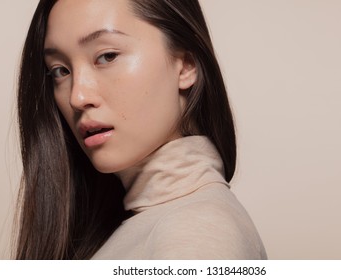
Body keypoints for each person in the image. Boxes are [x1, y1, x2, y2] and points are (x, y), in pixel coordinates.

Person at [16, 0, 267, 260]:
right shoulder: (138, 224)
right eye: (61, 71)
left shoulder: (196, 230)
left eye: (107, 56)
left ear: (186, 64)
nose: (77, 97)